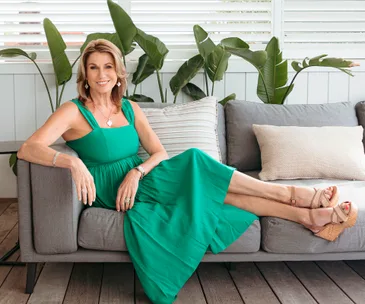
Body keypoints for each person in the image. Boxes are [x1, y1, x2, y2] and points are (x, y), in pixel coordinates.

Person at [17, 39, 358, 304]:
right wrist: (73, 162)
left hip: (141, 176)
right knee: (196, 161)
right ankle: (295, 196)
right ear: (85, 75)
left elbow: (158, 152)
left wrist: (138, 172)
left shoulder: (130, 108)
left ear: (119, 72)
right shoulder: (73, 111)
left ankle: (306, 218)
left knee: (226, 196)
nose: (102, 74)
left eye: (108, 66)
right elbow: (29, 148)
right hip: (110, 186)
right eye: (94, 68)